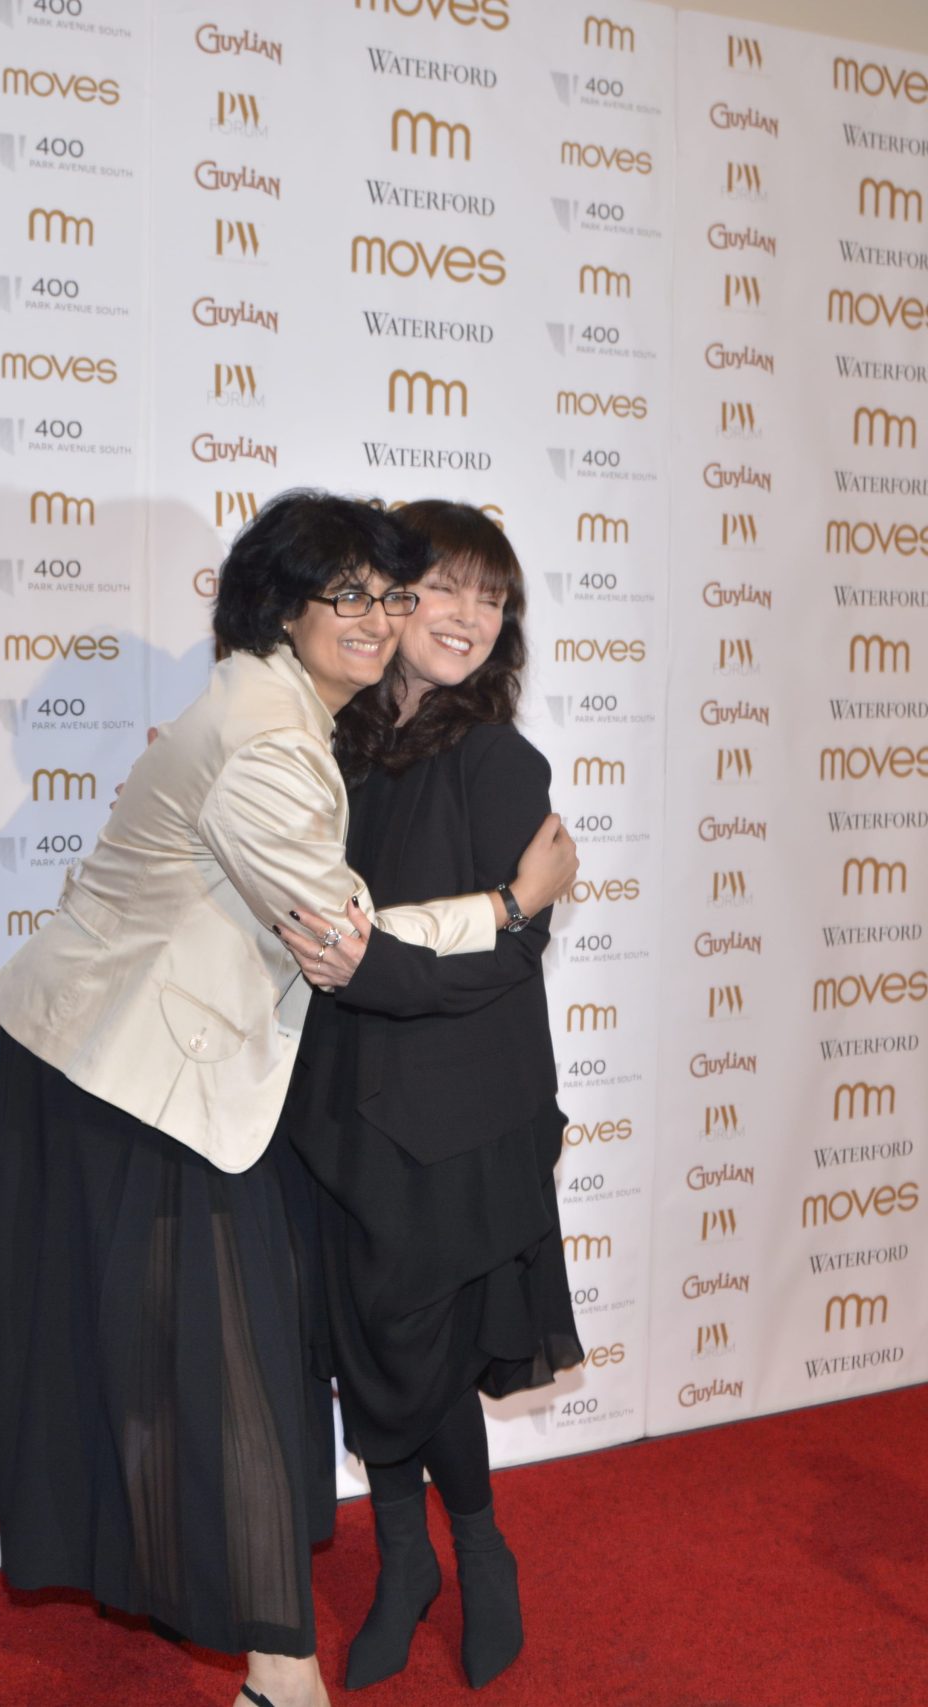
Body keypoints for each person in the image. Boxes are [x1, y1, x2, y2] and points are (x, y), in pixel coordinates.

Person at [0, 490, 579, 1707]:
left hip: (424, 1102)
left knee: (376, 1348)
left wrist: (505, 923)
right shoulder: (297, 735)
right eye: (375, 594)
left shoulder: (455, 751)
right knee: (292, 1351)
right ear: (287, 610)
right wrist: (508, 903)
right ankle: (339, 1613)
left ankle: (432, 1577)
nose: (400, 616)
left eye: (400, 593)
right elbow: (338, 938)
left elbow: (438, 959)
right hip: (232, 1087)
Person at [276, 501, 585, 1691]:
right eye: (443, 589)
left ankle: (479, 1552)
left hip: (459, 1117)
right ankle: (405, 1562)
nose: (468, 616)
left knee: (427, 1350)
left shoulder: (498, 760)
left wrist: (367, 968)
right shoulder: (329, 750)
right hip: (339, 1101)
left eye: (491, 598)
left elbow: (509, 954)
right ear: (388, 603)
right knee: (365, 1344)